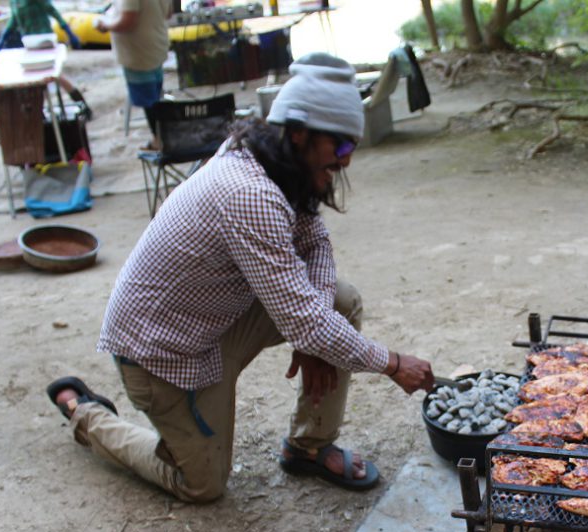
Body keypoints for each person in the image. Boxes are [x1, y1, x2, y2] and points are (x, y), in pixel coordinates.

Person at [45, 53, 434, 502]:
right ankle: (84, 412)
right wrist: (391, 363)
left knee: (338, 305)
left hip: (215, 322)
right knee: (201, 485)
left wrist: (315, 338)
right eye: (342, 147)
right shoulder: (248, 191)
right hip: (164, 352)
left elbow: (317, 245)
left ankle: (308, 447)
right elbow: (306, 323)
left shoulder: (281, 163)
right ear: (300, 131)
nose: (345, 162)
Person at [94, 0, 172, 145]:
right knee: (155, 98)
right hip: (156, 45)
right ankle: (162, 137)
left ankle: (160, 140)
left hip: (138, 52)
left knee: (150, 103)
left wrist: (104, 25)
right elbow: (168, 13)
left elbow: (128, 22)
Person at [0, 0, 82, 49]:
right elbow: (14, 19)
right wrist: (4, 36)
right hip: (28, 40)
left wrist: (69, 33)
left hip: (44, 38)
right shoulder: (14, 2)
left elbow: (52, 10)